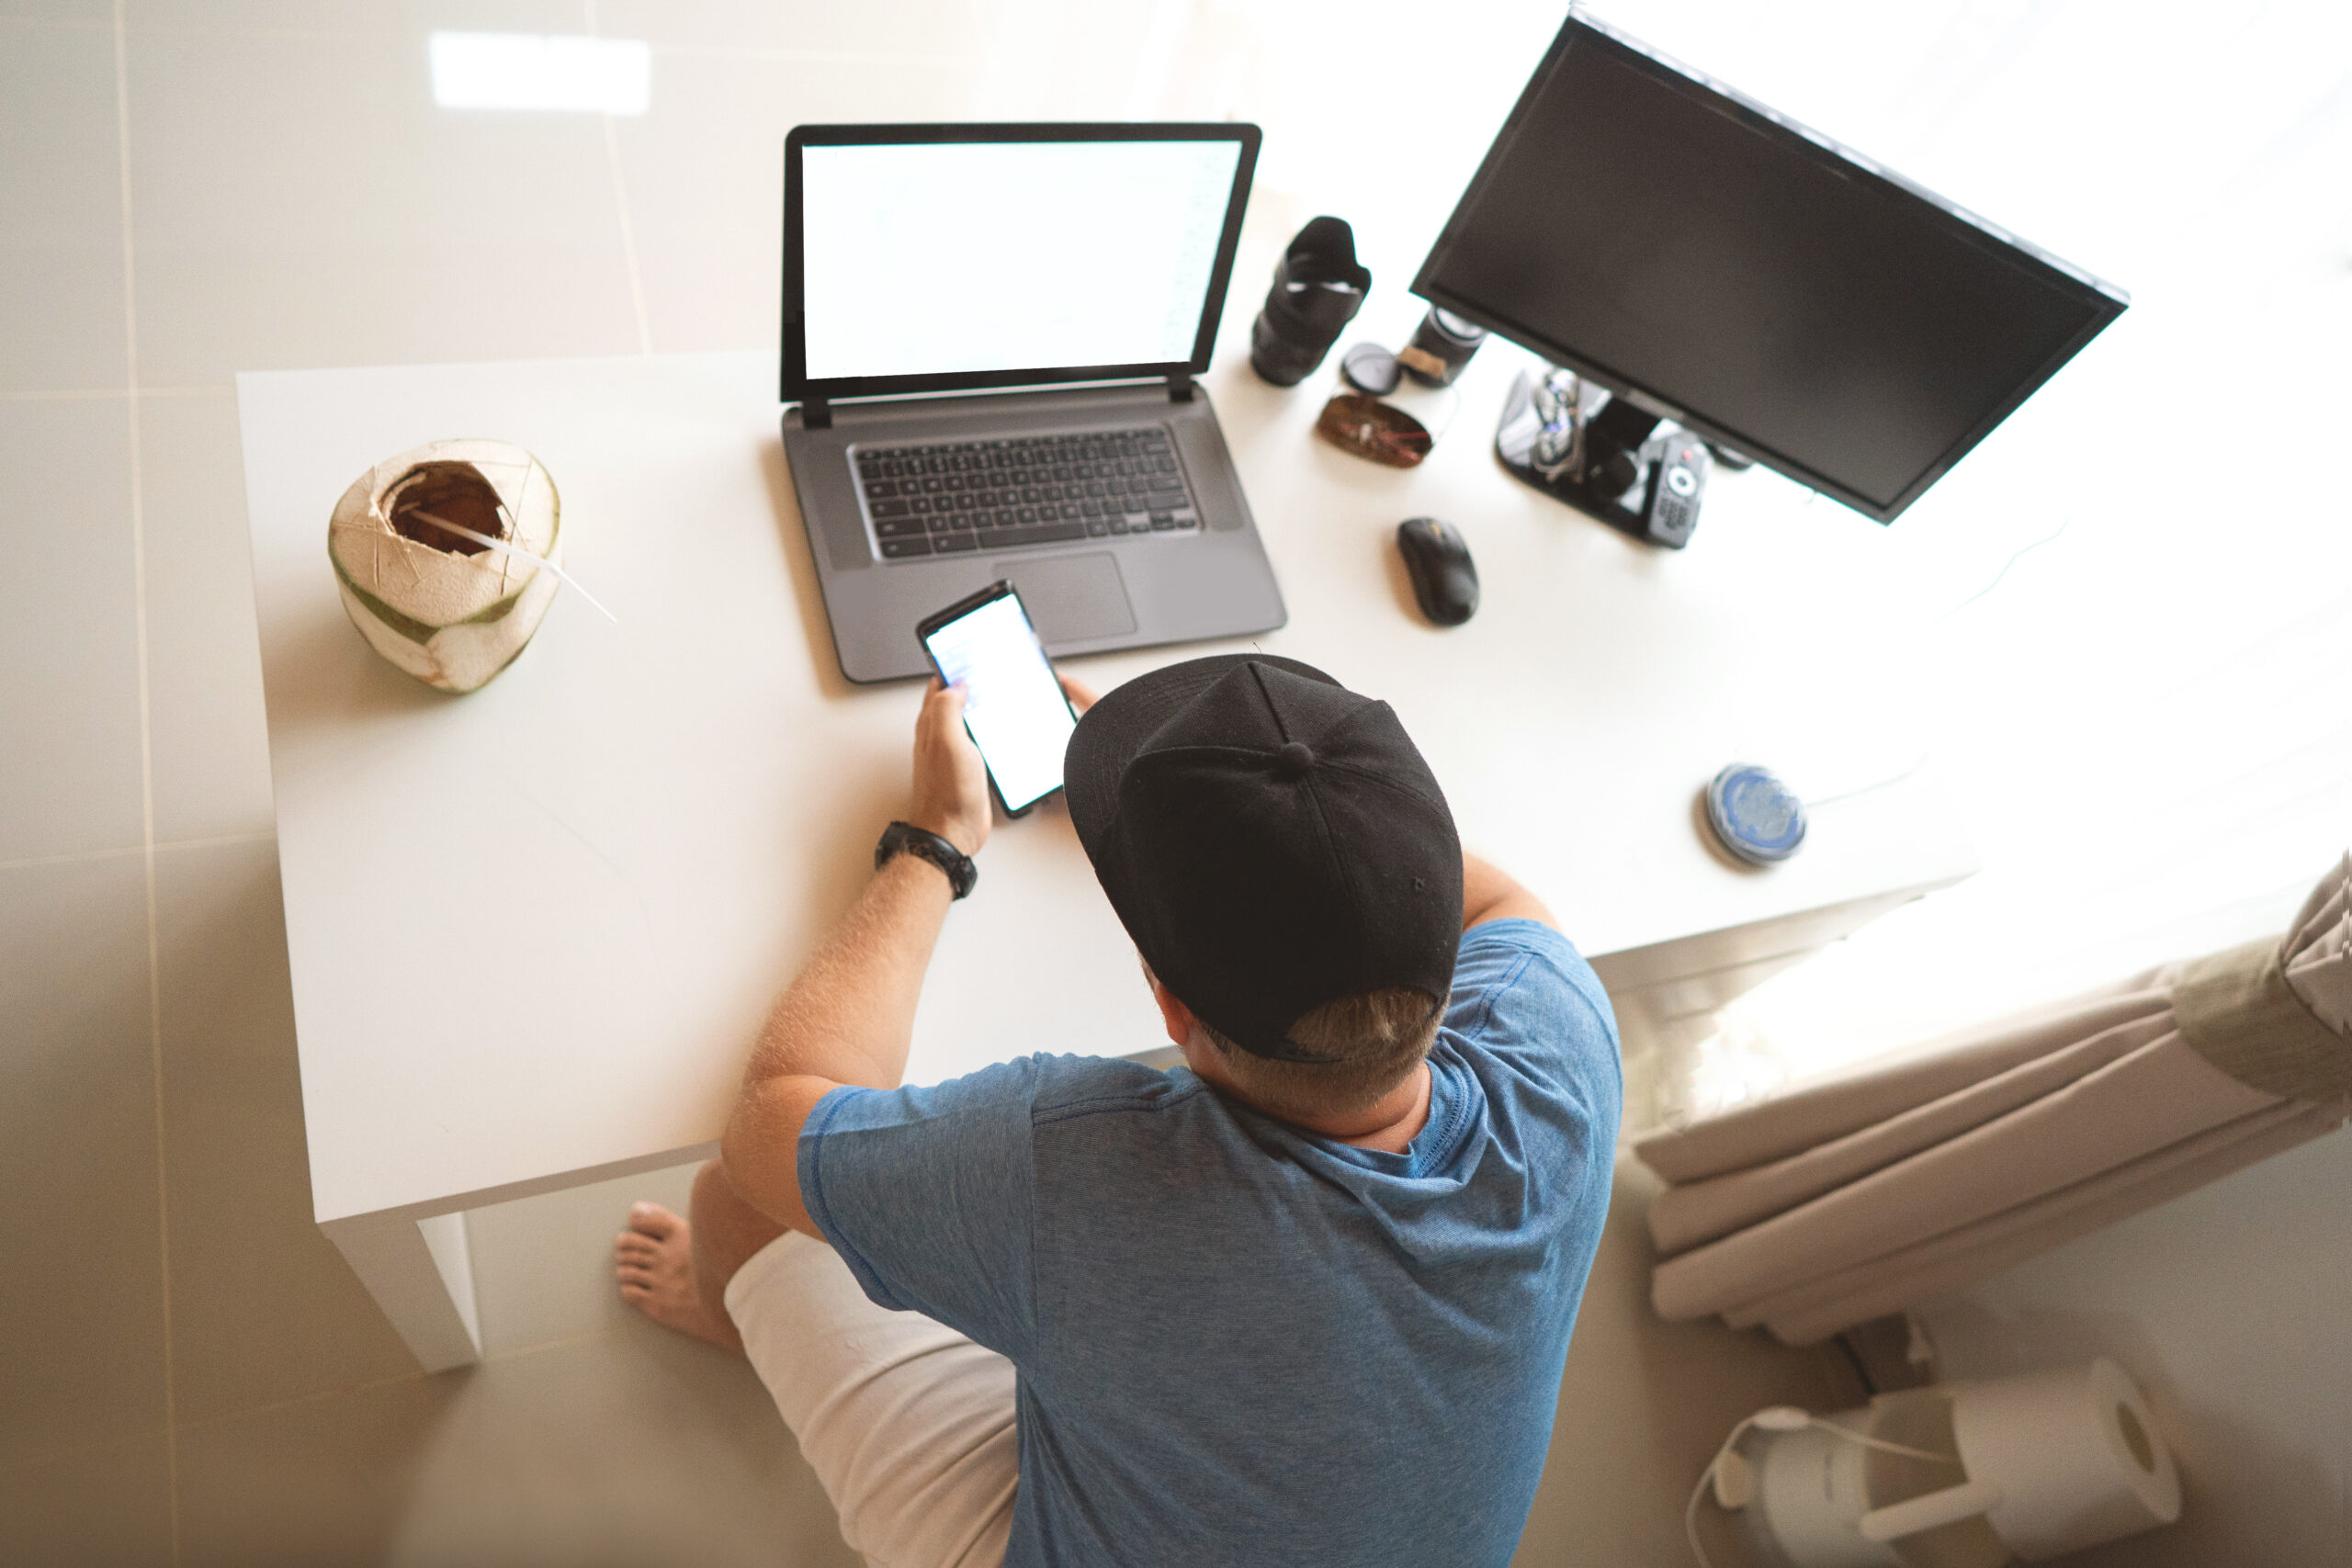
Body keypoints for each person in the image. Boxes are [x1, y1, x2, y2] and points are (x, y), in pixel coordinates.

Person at [616, 654, 1621, 1568]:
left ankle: (728, 1316)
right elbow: (1493, 904)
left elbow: (770, 1123)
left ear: (1167, 1005)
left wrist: (935, 842)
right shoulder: (1559, 1028)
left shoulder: (1081, 1173)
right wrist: (1242, 811)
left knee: (737, 1207)